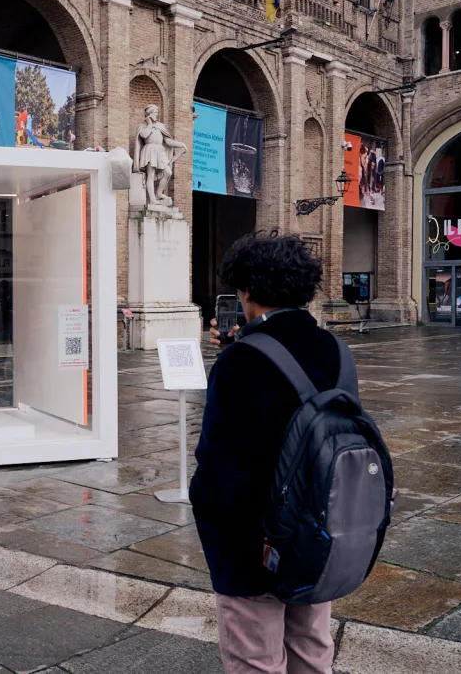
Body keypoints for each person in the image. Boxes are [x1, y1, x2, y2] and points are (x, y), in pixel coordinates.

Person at [193, 231, 338, 674]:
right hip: (317, 529)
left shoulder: (240, 362)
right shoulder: (334, 350)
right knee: (312, 647)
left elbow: (217, 464)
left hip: (253, 540)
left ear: (247, 291)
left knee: (256, 657)